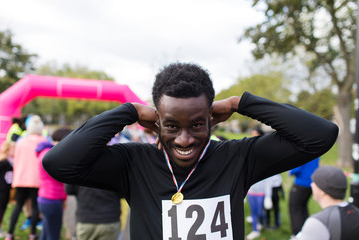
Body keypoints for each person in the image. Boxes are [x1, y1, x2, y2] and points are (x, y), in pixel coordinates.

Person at [43, 62, 338, 239]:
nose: (184, 140)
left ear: (211, 119)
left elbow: (320, 136)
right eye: (171, 126)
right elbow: (59, 163)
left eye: (196, 125)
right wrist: (128, 111)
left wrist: (240, 103)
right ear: (156, 121)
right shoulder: (133, 162)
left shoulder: (237, 157)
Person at [6, 115, 47, 240]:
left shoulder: (21, 142)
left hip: (21, 179)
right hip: (37, 180)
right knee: (35, 206)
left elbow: (15, 160)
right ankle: (33, 234)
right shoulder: (45, 142)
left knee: (18, 206)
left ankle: (9, 233)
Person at [295, 166, 359, 239]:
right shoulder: (356, 212)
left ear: (322, 191)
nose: (311, 185)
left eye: (314, 182)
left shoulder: (317, 222)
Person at [36, 128, 72, 240]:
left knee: (46, 232)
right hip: (52, 199)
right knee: (53, 235)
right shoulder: (53, 156)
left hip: (45, 197)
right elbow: (61, 177)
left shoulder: (45, 152)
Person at [288, 157, 319, 238]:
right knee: (302, 207)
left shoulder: (305, 149)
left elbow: (297, 168)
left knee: (295, 208)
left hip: (301, 184)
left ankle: (297, 235)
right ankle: (307, 232)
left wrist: (291, 171)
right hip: (311, 183)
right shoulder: (315, 148)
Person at [0, 141, 15, 237]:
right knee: (0, 209)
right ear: (8, 150)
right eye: (14, 149)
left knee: (3, 209)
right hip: (1, 189)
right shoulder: (3, 162)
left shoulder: (11, 161)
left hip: (6, 189)